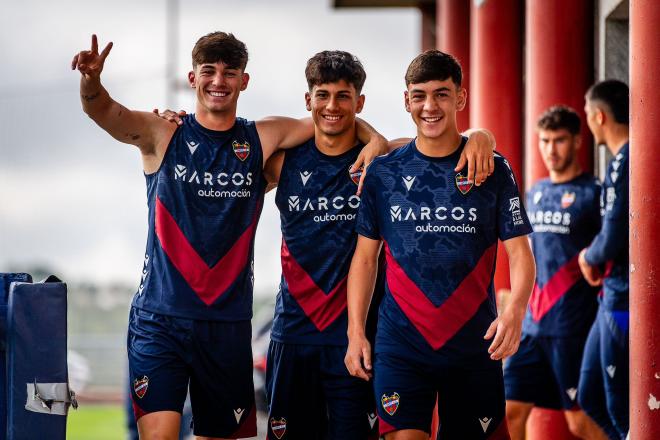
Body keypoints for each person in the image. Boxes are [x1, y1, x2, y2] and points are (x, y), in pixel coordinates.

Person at [71, 32, 389, 440]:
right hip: (161, 318)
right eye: (209, 71)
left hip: (227, 323)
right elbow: (107, 113)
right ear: (192, 77)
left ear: (244, 81)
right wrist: (91, 82)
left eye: (229, 72)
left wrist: (375, 138)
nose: (218, 80)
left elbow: (330, 120)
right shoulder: (162, 132)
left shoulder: (262, 138)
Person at [261, 51, 495, 440]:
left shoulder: (387, 161)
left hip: (361, 337)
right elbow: (228, 146)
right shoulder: (282, 164)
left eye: (343, 96)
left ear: (360, 102)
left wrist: (481, 136)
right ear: (308, 101)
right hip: (295, 333)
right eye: (322, 95)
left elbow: (443, 141)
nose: (332, 106)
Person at [344, 50, 536, 440]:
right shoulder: (383, 172)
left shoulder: (492, 169)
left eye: (441, 94)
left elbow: (520, 253)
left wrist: (515, 310)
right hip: (401, 342)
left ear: (460, 98)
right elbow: (365, 259)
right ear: (406, 101)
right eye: (419, 95)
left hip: (474, 344)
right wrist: (355, 332)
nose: (429, 106)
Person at [503, 106, 606, 439]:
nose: (551, 149)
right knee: (509, 412)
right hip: (531, 328)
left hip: (573, 328)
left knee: (580, 422)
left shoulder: (595, 193)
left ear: (576, 141)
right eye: (545, 140)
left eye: (559, 140)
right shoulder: (536, 191)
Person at [577, 80, 630, 440]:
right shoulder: (618, 162)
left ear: (598, 116)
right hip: (608, 296)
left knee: (619, 406)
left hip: (624, 297)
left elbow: (613, 235)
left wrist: (587, 256)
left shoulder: (626, 161)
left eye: (587, 115)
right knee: (590, 395)